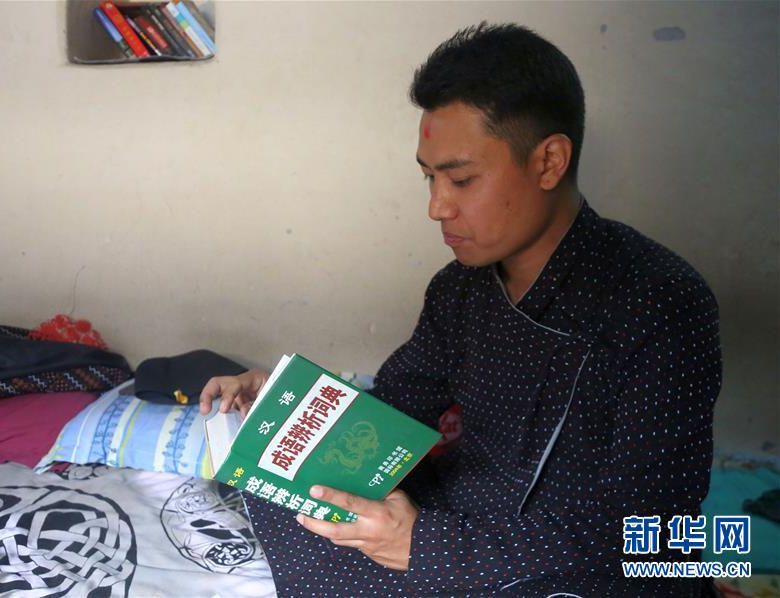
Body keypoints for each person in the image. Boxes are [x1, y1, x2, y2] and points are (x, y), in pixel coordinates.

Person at [200, 23, 721, 597]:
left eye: (461, 179)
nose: (436, 207)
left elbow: (657, 528)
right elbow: (397, 406)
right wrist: (294, 406)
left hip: (580, 557)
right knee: (289, 500)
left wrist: (425, 548)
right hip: (467, 509)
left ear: (549, 161)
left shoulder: (661, 301)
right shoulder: (460, 289)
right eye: (429, 177)